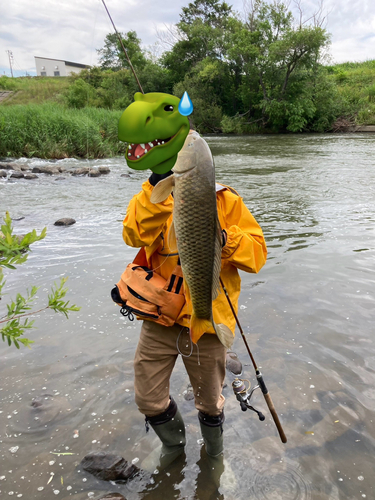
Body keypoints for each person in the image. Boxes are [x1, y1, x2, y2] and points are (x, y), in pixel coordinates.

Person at [122, 140, 267, 467]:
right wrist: (159, 182)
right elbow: (132, 234)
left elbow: (258, 255)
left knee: (210, 404)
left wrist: (226, 240)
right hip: (160, 317)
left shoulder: (226, 200)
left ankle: (214, 456)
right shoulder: (152, 195)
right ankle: (174, 448)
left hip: (209, 318)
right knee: (147, 398)